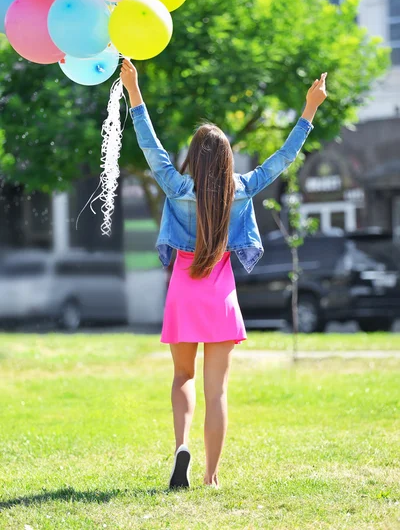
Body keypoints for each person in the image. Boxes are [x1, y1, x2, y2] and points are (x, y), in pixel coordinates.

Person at [120, 59, 328, 490]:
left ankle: (182, 448)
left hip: (182, 289)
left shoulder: (178, 189)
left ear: (193, 159)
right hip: (220, 293)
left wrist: (134, 92)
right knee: (217, 392)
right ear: (229, 157)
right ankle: (211, 476)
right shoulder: (244, 188)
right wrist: (309, 109)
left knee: (182, 377)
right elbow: (284, 157)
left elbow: (150, 146)